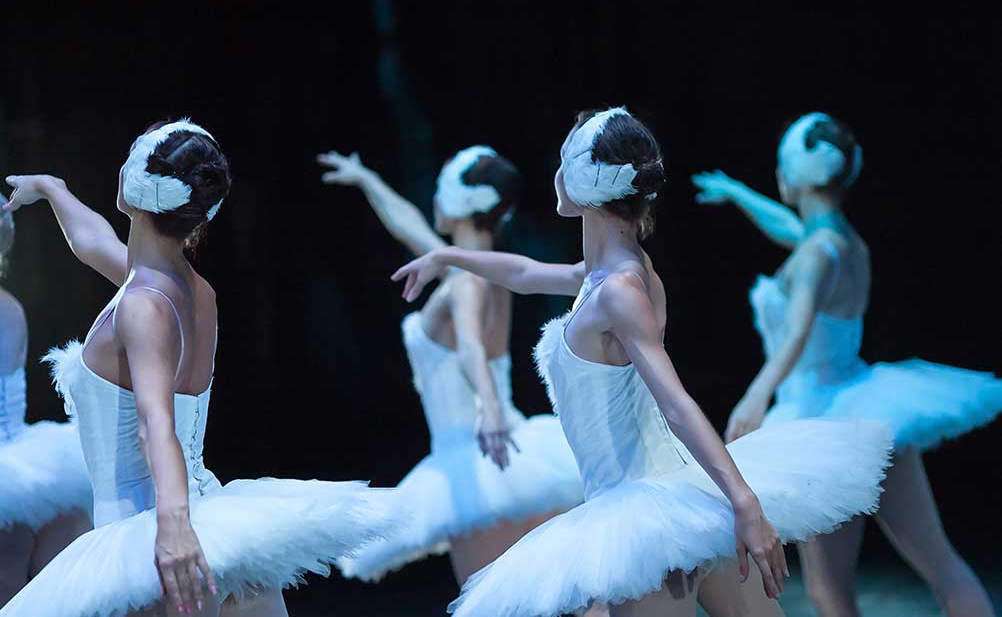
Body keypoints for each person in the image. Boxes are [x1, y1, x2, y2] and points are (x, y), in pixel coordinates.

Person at [392, 107, 892, 617]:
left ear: (586, 183)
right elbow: (522, 271)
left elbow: (675, 404)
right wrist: (447, 258)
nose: (557, 174)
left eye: (567, 161)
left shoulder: (619, 290)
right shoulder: (607, 275)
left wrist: (744, 502)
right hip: (675, 503)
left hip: (645, 514)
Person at [1, 120, 400, 617]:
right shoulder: (188, 290)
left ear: (133, 186)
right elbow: (94, 243)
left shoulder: (144, 305)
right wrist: (52, 190)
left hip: (151, 539)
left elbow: (156, 424)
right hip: (212, 519)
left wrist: (173, 528)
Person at [693, 111, 999, 617]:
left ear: (799, 176)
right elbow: (795, 228)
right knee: (940, 563)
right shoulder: (844, 244)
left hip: (823, 419)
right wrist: (739, 193)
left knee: (828, 589)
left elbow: (796, 331)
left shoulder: (816, 254)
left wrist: (757, 393)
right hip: (872, 411)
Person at [317, 147, 584, 589]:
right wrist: (368, 180)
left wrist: (491, 409)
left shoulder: (465, 279)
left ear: (457, 202)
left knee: (492, 602)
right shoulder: (480, 269)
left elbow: (471, 348)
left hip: (478, 453)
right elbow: (410, 228)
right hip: (520, 455)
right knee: (570, 597)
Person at [0, 206, 92, 605]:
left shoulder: (5, 309)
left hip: (10, 467)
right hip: (22, 461)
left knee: (13, 585)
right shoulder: (10, 306)